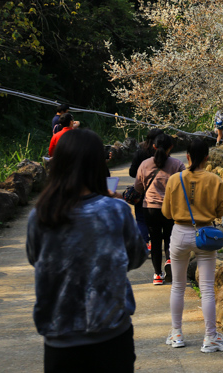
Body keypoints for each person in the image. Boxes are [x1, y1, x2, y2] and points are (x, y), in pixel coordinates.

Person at [26, 128, 147, 373]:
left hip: (60, 335)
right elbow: (136, 257)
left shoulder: (40, 215)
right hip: (112, 334)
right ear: (97, 164)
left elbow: (35, 258)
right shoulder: (116, 210)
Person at [161, 138, 223, 353]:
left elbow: (166, 213)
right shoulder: (215, 180)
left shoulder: (175, 179)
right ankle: (210, 337)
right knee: (207, 290)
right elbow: (220, 212)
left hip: (179, 233)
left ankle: (176, 334)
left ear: (187, 156)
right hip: (205, 234)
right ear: (207, 157)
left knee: (177, 285)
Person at [134, 133, 184, 285]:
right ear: (171, 147)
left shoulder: (145, 164)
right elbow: (184, 186)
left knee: (155, 240)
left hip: (150, 208)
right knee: (170, 238)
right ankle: (170, 261)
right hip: (170, 208)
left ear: (154, 147)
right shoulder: (177, 164)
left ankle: (157, 275)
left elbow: (138, 187)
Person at [127, 129, 164, 248]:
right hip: (160, 192)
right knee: (159, 221)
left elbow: (132, 172)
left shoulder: (140, 153)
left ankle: (144, 243)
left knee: (141, 219)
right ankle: (156, 243)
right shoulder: (165, 155)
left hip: (142, 190)